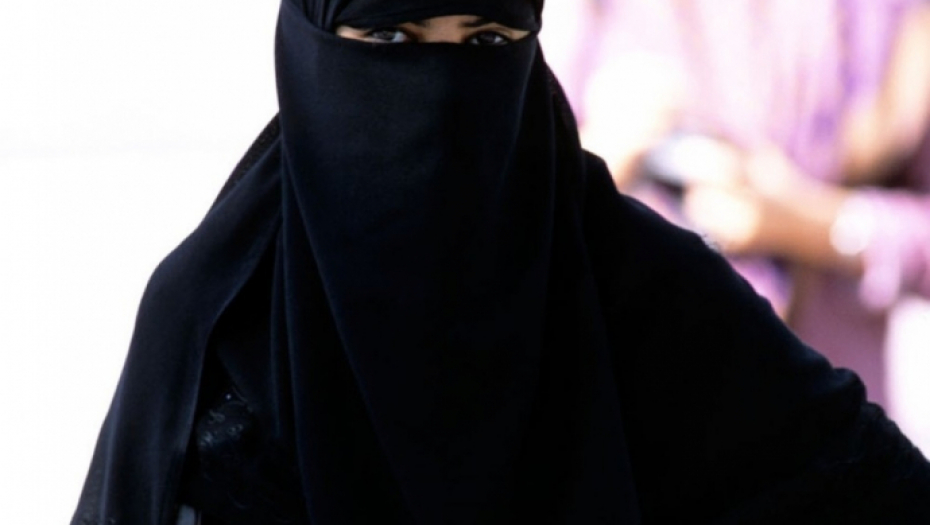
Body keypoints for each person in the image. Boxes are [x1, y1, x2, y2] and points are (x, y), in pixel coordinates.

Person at [72, 1, 930, 524]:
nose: (441, 87)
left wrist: (820, 222)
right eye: (391, 33)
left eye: (486, 39)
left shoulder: (645, 297)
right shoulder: (223, 328)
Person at [544, 0, 930, 446]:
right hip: (631, 421)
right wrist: (602, 158)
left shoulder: (890, 16)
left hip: (818, 428)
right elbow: (506, 227)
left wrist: (812, 224)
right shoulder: (581, 15)